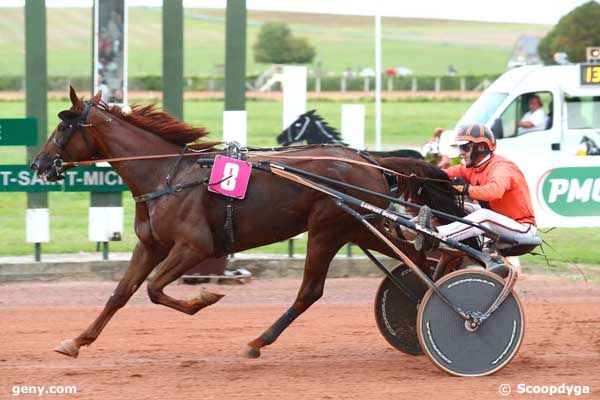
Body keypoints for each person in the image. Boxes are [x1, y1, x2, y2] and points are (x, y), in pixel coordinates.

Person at [412, 124, 538, 252]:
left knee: (483, 215)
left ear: (482, 147)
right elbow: (441, 174)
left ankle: (435, 236)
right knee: (454, 205)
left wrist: (466, 189)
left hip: (522, 229)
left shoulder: (502, 168)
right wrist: (418, 174)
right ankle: (405, 228)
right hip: (499, 224)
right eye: (461, 147)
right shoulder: (472, 168)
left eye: (465, 147)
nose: (461, 152)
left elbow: (494, 192)